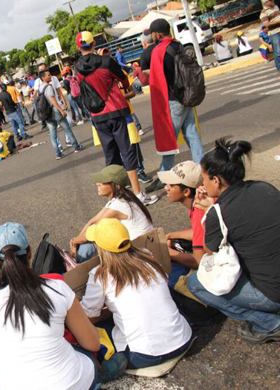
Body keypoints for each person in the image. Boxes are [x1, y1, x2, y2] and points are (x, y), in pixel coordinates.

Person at [0, 222, 128, 389]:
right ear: (30, 253)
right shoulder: (56, 287)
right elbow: (92, 343)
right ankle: (105, 373)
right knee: (106, 358)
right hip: (70, 384)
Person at [187, 138, 280, 344]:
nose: (202, 184)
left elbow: (207, 254)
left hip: (273, 293)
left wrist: (207, 211)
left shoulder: (217, 213)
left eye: (204, 179)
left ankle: (270, 324)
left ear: (216, 180)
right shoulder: (264, 187)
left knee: (196, 283)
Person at [81, 218, 193, 369]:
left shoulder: (99, 275)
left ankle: (107, 369)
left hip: (146, 355)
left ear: (99, 247)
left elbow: (89, 313)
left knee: (96, 330)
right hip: (184, 338)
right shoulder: (146, 255)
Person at [76, 31, 153, 204]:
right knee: (128, 152)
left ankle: (118, 197)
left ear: (78, 47)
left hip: (97, 116)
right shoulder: (106, 61)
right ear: (94, 43)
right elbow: (124, 82)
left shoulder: (77, 68)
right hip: (117, 111)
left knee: (110, 157)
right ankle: (138, 194)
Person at [142, 18, 205, 194]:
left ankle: (163, 176)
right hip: (187, 96)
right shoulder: (179, 46)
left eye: (153, 33)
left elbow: (155, 78)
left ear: (157, 34)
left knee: (169, 139)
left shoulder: (158, 51)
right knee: (192, 133)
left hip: (173, 99)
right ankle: (203, 169)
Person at [70, 165, 156, 263]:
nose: (97, 184)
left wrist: (74, 242)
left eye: (102, 182)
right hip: (141, 243)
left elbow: (92, 233)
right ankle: (74, 263)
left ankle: (74, 265)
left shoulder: (120, 205)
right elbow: (93, 221)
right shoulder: (120, 198)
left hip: (140, 250)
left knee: (92, 243)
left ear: (116, 185)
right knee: (92, 240)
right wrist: (76, 242)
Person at [158, 161, 207, 287]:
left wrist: (166, 251)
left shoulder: (199, 212)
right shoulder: (199, 201)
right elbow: (199, 232)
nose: (166, 187)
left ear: (186, 192)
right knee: (172, 241)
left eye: (171, 185)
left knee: (166, 276)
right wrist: (172, 235)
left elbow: (198, 261)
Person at [38, 70, 84, 160]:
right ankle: (76, 146)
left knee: (53, 134)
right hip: (55, 112)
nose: (50, 76)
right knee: (67, 129)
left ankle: (58, 153)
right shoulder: (48, 87)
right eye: (48, 75)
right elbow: (53, 100)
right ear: (43, 78)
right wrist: (61, 110)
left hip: (47, 114)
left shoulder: (41, 88)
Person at [260, 0, 280, 71]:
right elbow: (266, 24)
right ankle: (279, 67)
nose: (273, 1)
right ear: (266, 2)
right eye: (271, 0)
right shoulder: (264, 12)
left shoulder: (276, 7)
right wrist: (278, 22)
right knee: (278, 51)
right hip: (274, 33)